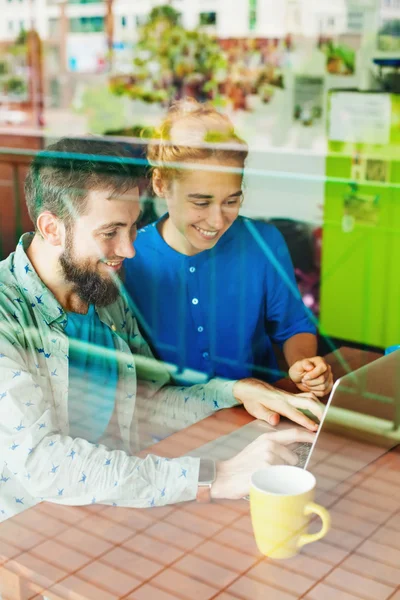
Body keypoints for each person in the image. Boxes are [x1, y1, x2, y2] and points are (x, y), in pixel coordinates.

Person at [0, 138, 317, 522]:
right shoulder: (8, 314)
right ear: (52, 228)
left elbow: (148, 404)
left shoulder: (102, 291)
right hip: (32, 527)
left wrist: (234, 391)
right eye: (110, 232)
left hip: (127, 500)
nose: (129, 249)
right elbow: (43, 464)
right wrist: (213, 477)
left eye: (133, 228)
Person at [124, 98, 333, 396]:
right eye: (201, 201)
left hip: (257, 413)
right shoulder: (129, 257)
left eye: (231, 201)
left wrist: (303, 366)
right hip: (171, 422)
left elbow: (293, 327)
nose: (217, 220)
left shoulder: (264, 242)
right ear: (160, 185)